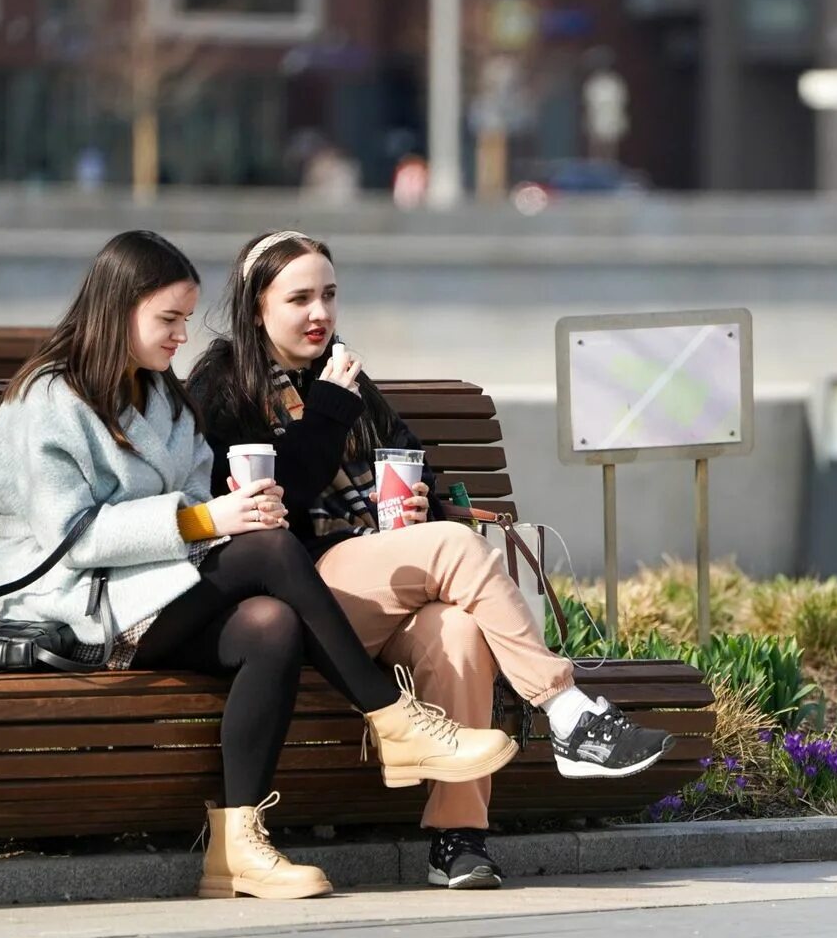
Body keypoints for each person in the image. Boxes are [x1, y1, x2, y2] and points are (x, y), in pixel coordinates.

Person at [0, 231, 518, 901]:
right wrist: (207, 521)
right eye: (167, 320)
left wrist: (219, 513)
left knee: (270, 623)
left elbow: (200, 495)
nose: (180, 336)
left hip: (154, 596)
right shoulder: (49, 400)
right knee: (270, 548)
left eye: (183, 320)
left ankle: (235, 850)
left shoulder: (162, 398)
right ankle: (392, 718)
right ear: (117, 311)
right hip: (78, 607)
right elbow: (73, 536)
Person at [186, 230, 675, 890]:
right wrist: (329, 412)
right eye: (299, 298)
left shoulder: (347, 376)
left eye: (329, 295)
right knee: (452, 547)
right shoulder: (225, 382)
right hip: (298, 589)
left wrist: (422, 506)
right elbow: (282, 496)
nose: (319, 313)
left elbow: (414, 472)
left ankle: (458, 838)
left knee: (460, 630)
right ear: (255, 308)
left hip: (379, 582)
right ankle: (566, 709)